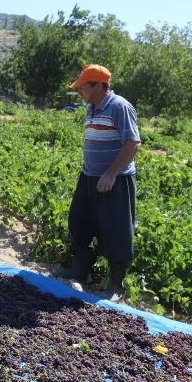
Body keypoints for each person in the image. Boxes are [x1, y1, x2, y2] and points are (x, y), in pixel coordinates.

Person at [59, 64, 141, 302]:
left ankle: (116, 285)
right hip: (89, 176)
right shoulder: (90, 108)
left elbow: (132, 143)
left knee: (116, 231)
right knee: (79, 221)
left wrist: (112, 173)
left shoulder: (119, 107)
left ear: (97, 85)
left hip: (115, 180)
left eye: (82, 86)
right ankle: (79, 271)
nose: (79, 91)